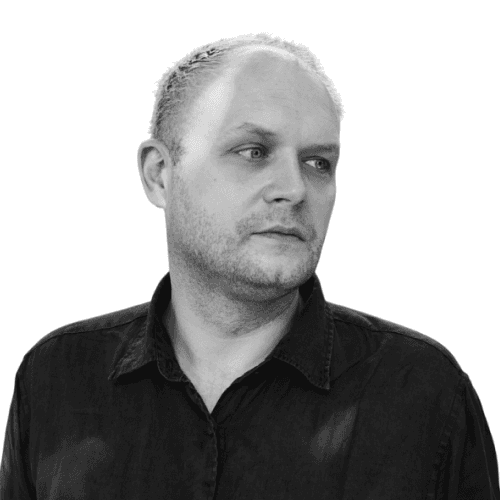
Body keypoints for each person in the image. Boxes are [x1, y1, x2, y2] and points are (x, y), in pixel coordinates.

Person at [1, 33, 498, 500]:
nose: (295, 189)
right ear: (160, 174)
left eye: (318, 162)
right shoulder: (56, 381)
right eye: (253, 152)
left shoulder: (424, 395)